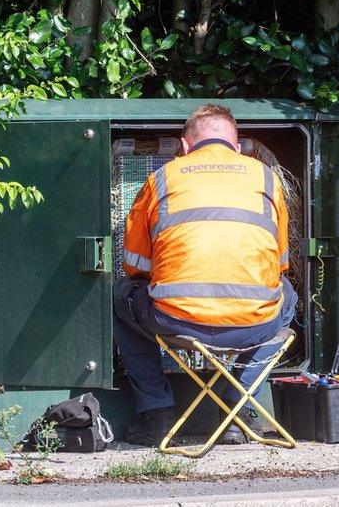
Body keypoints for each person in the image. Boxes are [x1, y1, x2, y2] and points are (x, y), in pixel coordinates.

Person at [113, 104, 298, 446]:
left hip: (174, 322)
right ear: (238, 144)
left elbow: (134, 264)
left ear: (184, 146)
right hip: (253, 325)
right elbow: (281, 262)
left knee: (121, 298)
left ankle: (157, 413)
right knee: (288, 300)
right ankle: (234, 409)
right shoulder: (266, 178)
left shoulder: (163, 178)